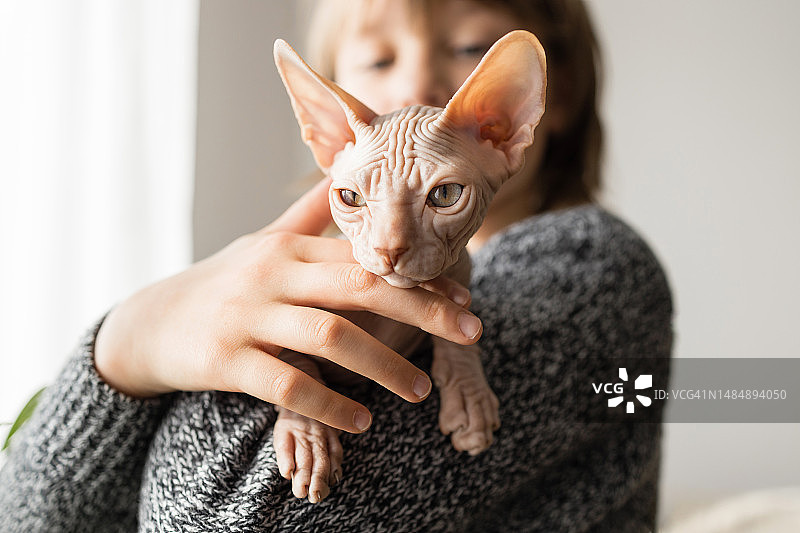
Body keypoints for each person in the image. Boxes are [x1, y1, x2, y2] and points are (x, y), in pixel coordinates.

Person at [0, 0, 673, 531]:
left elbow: (218, 522)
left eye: (469, 49)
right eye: (378, 59)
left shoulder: (595, 272)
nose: (414, 88)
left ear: (515, 112)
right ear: (330, 127)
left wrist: (451, 358)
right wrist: (123, 349)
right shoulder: (281, 277)